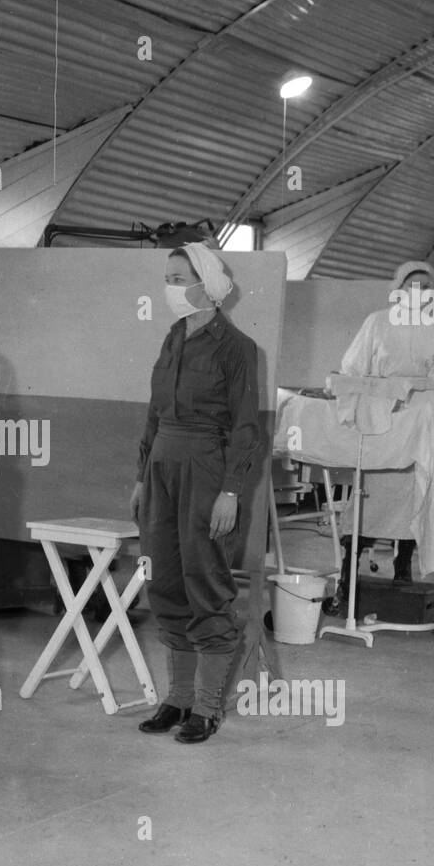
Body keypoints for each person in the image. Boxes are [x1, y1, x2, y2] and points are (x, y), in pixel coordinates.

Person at [131, 242, 259, 744]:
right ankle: (176, 699)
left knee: (204, 580)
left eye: (180, 277)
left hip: (207, 468)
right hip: (161, 467)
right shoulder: (172, 336)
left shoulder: (237, 347)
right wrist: (142, 475)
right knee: (164, 583)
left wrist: (231, 491)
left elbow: (247, 427)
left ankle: (206, 708)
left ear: (208, 286)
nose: (171, 288)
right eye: (168, 277)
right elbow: (154, 411)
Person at [327, 261, 434, 606]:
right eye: (413, 284)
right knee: (369, 502)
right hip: (381, 419)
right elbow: (353, 368)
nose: (419, 291)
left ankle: (403, 568)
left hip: (419, 421)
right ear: (398, 287)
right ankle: (347, 579)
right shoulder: (377, 323)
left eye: (426, 287)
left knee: (414, 498)